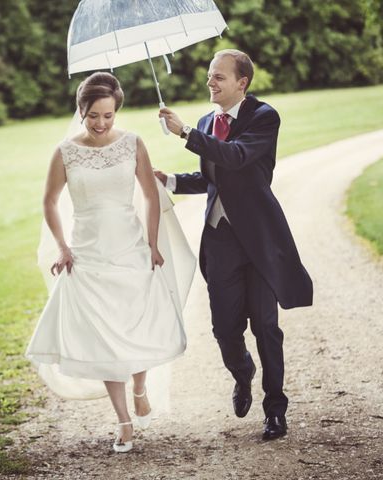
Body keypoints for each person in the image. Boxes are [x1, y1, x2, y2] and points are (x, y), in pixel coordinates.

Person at [25, 72, 193, 453]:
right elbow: (50, 201)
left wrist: (151, 243)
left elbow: (150, 195)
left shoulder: (133, 143)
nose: (101, 124)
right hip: (88, 255)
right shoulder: (65, 151)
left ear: (117, 111)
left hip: (130, 248)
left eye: (108, 116)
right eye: (93, 116)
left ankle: (139, 386)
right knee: (105, 339)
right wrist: (62, 247)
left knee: (136, 328)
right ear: (81, 111)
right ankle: (123, 421)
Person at [156, 49, 313, 440]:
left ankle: (275, 410)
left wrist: (185, 134)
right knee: (225, 330)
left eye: (218, 77)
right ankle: (242, 373)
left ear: (242, 83)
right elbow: (214, 176)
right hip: (220, 240)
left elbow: (237, 157)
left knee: (266, 327)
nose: (210, 81)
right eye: (210, 76)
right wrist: (171, 181)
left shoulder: (264, 117)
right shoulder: (209, 120)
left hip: (259, 241)